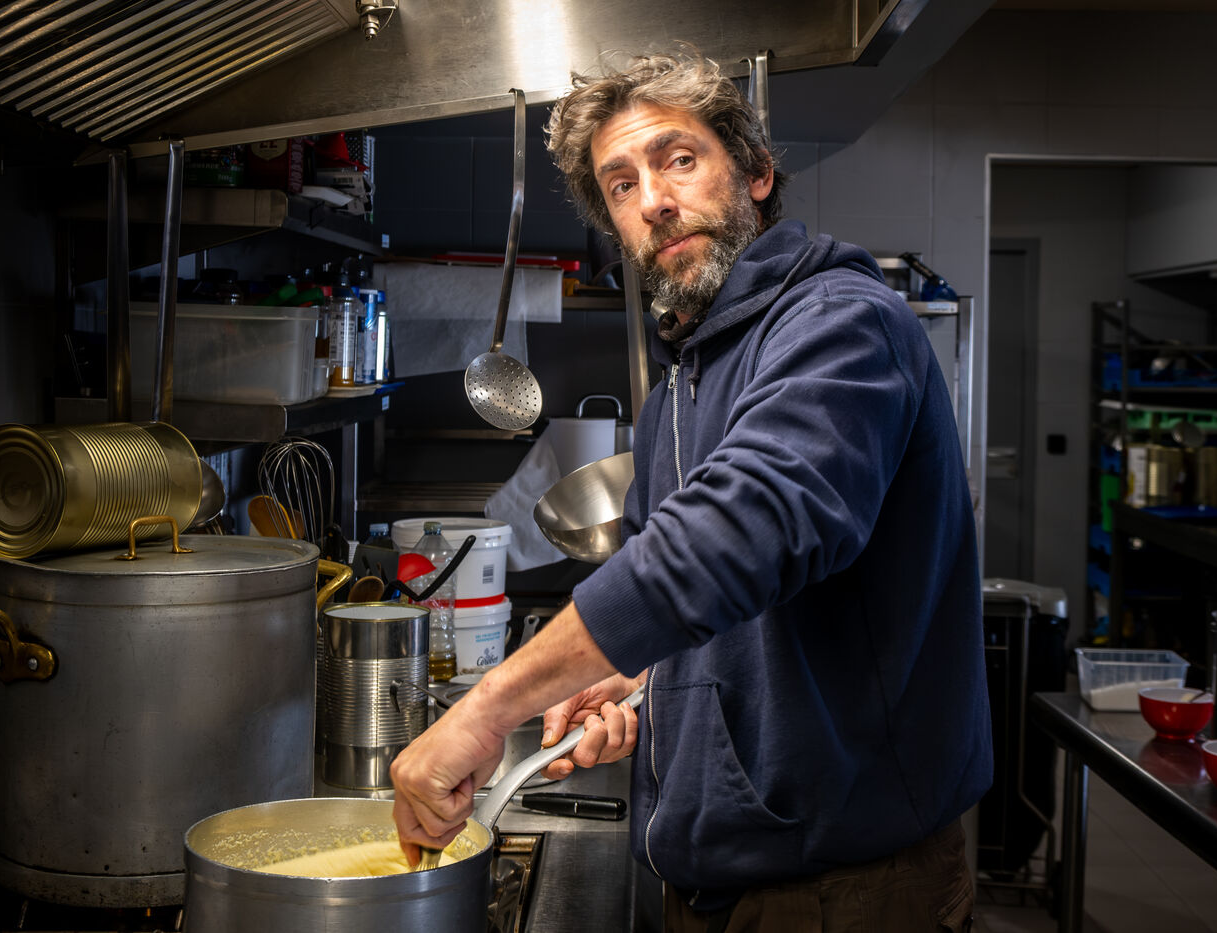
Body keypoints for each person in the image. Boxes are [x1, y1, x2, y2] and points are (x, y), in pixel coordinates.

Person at [389, 46, 991, 932]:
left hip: (848, 888)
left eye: (677, 159)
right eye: (622, 184)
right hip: (715, 874)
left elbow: (739, 532)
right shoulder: (680, 383)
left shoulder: (841, 323)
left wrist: (488, 706)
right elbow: (706, 606)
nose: (654, 200)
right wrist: (630, 674)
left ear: (755, 173)